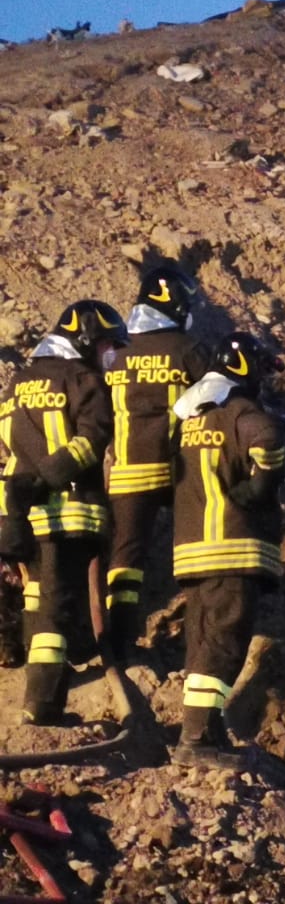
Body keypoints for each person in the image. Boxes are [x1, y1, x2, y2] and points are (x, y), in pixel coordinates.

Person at [0, 300, 126, 725]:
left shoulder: (19, 383)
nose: (112, 354)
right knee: (56, 607)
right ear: (87, 337)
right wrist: (53, 474)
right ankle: (44, 705)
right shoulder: (83, 378)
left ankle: (34, 692)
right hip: (67, 512)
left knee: (37, 599)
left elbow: (9, 444)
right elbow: (94, 438)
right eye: (109, 344)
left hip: (22, 515)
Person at [170, 332, 285, 769]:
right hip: (232, 547)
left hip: (193, 549)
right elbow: (269, 440)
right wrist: (261, 483)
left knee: (203, 639)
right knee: (223, 642)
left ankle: (207, 733)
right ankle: (196, 741)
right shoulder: (240, 411)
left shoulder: (191, 419)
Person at [103, 262, 208, 664]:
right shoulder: (186, 350)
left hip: (128, 473)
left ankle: (119, 644)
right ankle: (196, 643)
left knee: (125, 562)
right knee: (193, 554)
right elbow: (216, 399)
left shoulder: (117, 355)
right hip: (179, 472)